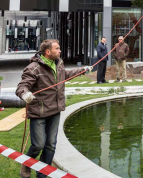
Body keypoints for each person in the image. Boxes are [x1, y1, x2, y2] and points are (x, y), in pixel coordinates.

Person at [15, 39, 92, 178]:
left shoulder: (59, 64)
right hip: (39, 112)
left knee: (50, 145)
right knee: (38, 145)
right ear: (48, 51)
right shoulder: (33, 68)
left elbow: (66, 75)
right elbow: (22, 86)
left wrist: (83, 70)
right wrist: (25, 94)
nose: (60, 51)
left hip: (55, 111)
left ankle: (42, 174)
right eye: (57, 48)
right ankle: (26, 164)